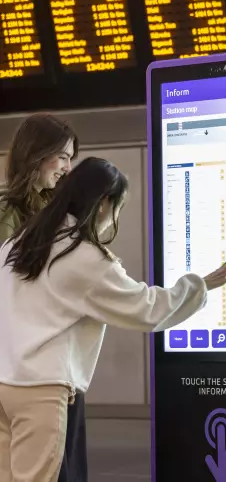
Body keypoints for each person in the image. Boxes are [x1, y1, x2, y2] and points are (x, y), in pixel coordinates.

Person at [0, 157, 226, 482]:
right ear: (103, 204)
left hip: (4, 384)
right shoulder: (83, 256)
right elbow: (147, 308)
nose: (113, 221)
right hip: (41, 390)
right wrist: (198, 286)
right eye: (118, 209)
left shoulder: (20, 243)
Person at [0, 113, 87, 482]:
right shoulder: (9, 212)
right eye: (62, 158)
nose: (68, 168)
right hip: (28, 368)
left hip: (47, 361)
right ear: (37, 155)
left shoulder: (52, 210)